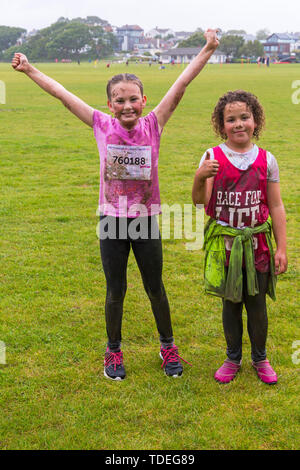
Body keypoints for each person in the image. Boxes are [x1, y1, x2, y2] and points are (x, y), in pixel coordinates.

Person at [12, 29, 219, 381]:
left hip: (146, 219)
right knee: (115, 291)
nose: (127, 106)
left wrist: (209, 48)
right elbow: (63, 95)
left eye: (133, 99)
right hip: (111, 220)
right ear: (110, 104)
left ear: (143, 100)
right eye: (120, 100)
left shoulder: (154, 124)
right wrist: (30, 69)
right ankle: (113, 351)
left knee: (156, 287)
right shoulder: (100, 124)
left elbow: (181, 84)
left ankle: (167, 345)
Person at [192, 90, 287, 385]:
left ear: (255, 121)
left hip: (257, 245)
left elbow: (276, 205)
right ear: (221, 126)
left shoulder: (266, 159)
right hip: (226, 246)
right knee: (231, 303)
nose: (238, 124)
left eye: (244, 117)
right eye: (230, 119)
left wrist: (281, 247)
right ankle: (232, 357)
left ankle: (260, 357)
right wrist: (199, 176)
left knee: (257, 305)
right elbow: (199, 203)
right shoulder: (212, 157)